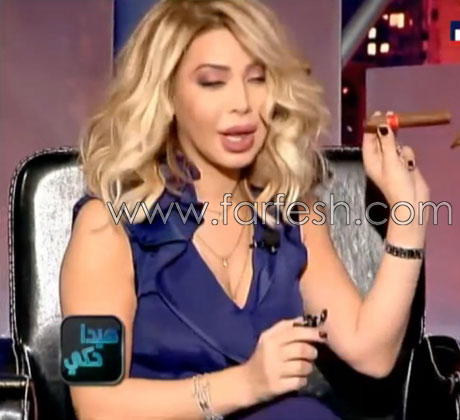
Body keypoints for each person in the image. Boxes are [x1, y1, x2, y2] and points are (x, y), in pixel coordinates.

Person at [59, 0, 430, 419]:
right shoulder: (105, 227)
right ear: (167, 94)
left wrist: (409, 218)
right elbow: (94, 403)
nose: (243, 104)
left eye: (257, 79)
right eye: (213, 82)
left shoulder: (289, 211)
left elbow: (370, 352)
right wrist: (245, 384)